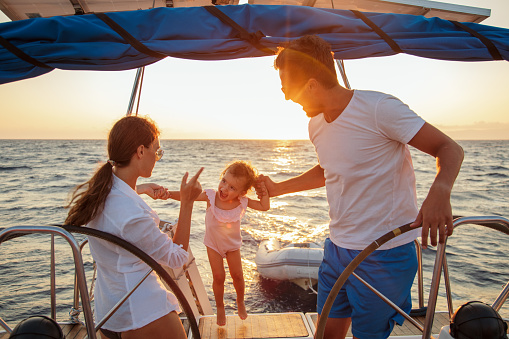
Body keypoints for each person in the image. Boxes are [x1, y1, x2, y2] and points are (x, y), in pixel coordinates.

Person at [257, 35, 464, 339]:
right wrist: (278, 189)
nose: (288, 98)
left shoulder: (380, 108)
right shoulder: (316, 125)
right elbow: (330, 169)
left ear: (312, 84)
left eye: (289, 89)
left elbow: (449, 148)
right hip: (337, 250)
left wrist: (440, 191)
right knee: (325, 335)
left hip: (384, 255)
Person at [65, 115, 203, 339]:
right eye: (157, 151)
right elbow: (177, 258)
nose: (158, 158)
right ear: (140, 151)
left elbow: (117, 206)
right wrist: (187, 202)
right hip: (142, 314)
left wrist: (140, 188)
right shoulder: (134, 215)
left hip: (108, 312)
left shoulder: (99, 192)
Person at [163, 160, 270, 326]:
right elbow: (186, 196)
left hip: (233, 246)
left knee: (238, 276)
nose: (224, 188)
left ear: (242, 192)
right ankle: (220, 307)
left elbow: (264, 206)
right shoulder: (210, 196)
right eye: (224, 181)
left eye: (232, 187)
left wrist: (262, 189)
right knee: (219, 277)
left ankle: (240, 301)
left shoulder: (242, 202)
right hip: (213, 244)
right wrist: (167, 193)